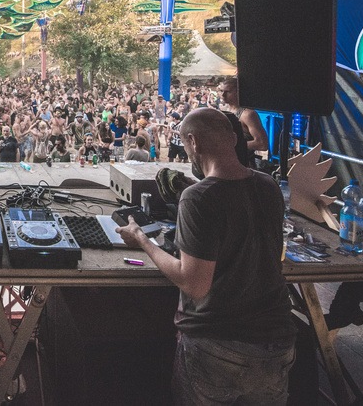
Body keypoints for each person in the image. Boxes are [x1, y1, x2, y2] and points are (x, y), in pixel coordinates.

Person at [117, 108, 295, 405]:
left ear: (193, 142)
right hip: (276, 342)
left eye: (185, 144)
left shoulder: (198, 198)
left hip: (218, 343)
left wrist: (142, 240)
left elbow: (194, 284)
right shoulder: (268, 185)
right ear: (232, 138)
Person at [218, 77, 269, 167]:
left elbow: (262, 144)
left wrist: (232, 146)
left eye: (228, 92)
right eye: (221, 91)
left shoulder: (247, 114)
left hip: (244, 165)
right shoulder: (224, 110)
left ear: (238, 92)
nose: (223, 95)